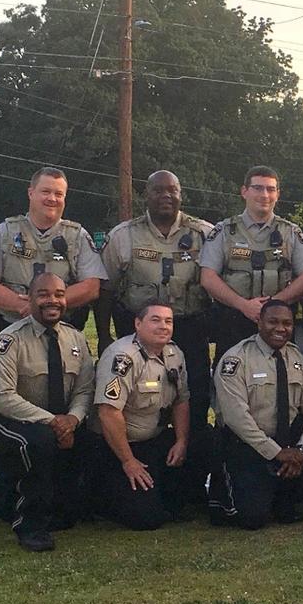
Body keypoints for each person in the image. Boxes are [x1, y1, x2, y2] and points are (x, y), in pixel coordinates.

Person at [0, 273, 94, 552]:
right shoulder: (9, 339)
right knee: (40, 442)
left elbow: (85, 391)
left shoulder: (76, 340)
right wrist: (53, 422)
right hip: (11, 424)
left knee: (65, 516)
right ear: (30, 299)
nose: (53, 300)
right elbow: (2, 397)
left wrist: (72, 420)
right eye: (44, 294)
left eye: (59, 294)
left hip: (61, 424)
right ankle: (30, 526)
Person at [210, 300, 303, 528]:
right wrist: (276, 452)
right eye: (273, 322)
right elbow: (237, 419)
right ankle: (224, 494)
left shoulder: (298, 360)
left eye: (287, 323)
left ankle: (281, 497)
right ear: (259, 322)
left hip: (289, 446)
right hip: (247, 446)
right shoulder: (236, 359)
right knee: (252, 519)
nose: (281, 328)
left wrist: (302, 451)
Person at [95, 170, 216, 427]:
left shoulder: (205, 234)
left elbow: (218, 284)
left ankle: (189, 459)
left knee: (195, 398)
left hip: (189, 330)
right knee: (139, 400)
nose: (166, 196)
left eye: (172, 190)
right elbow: (105, 290)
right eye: (158, 190)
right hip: (137, 332)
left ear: (181, 195)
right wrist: (104, 335)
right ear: (145, 195)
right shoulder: (123, 236)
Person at [199, 166, 303, 375]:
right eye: (258, 188)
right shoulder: (224, 231)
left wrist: (273, 306)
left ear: (278, 194)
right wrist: (244, 306)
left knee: (280, 382)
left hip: (277, 326)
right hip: (233, 322)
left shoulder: (291, 232)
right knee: (229, 379)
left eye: (271, 189)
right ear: (244, 191)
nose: (264, 195)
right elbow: (208, 278)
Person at [0, 166, 107, 340]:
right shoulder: (5, 232)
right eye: (45, 191)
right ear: (31, 193)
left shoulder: (77, 236)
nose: (52, 199)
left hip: (63, 333)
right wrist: (24, 305)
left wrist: (46, 305)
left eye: (59, 194)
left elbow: (92, 287)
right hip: (12, 331)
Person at [88, 303, 192, 530]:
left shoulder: (174, 353)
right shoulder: (122, 357)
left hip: (154, 440)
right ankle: (98, 498)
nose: (163, 326)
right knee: (146, 519)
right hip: (118, 448)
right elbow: (108, 412)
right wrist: (128, 461)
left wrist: (181, 441)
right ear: (138, 323)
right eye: (155, 320)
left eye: (168, 321)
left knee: (181, 503)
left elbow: (181, 400)